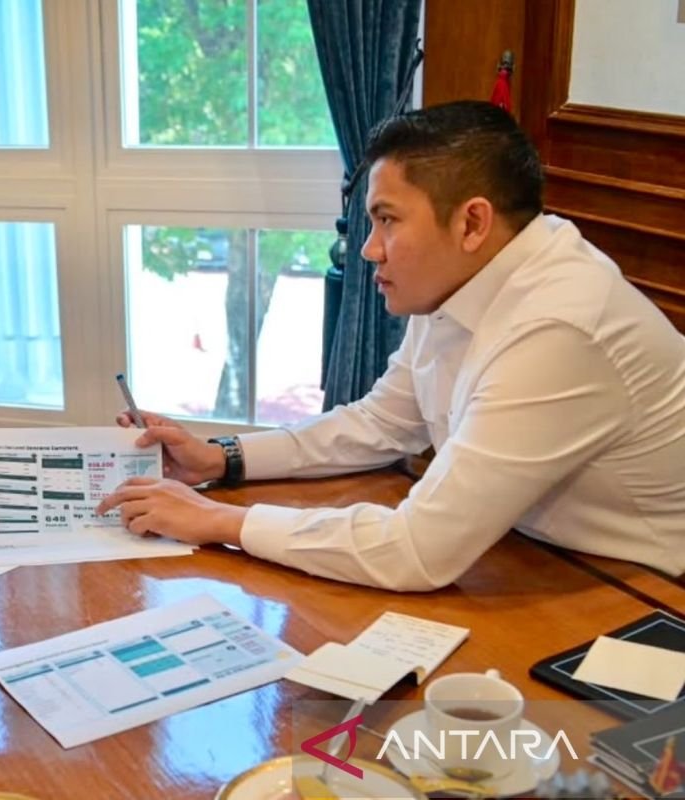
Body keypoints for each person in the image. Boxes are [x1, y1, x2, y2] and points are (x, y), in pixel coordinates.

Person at [97, 101, 685, 591]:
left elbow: (417, 551)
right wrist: (222, 458)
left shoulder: (560, 325)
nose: (369, 249)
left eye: (387, 220)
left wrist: (218, 520)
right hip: (530, 551)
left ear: (472, 224)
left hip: (641, 591)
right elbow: (382, 422)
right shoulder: (462, 279)